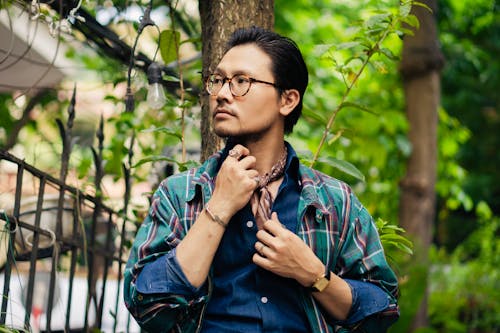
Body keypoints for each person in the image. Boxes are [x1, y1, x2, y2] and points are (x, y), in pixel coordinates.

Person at [124, 26, 399, 332]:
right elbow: (145, 302)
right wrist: (218, 209)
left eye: (241, 81)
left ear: (288, 100)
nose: (222, 94)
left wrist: (314, 275)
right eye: (218, 81)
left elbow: (381, 309)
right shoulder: (180, 194)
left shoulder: (335, 202)